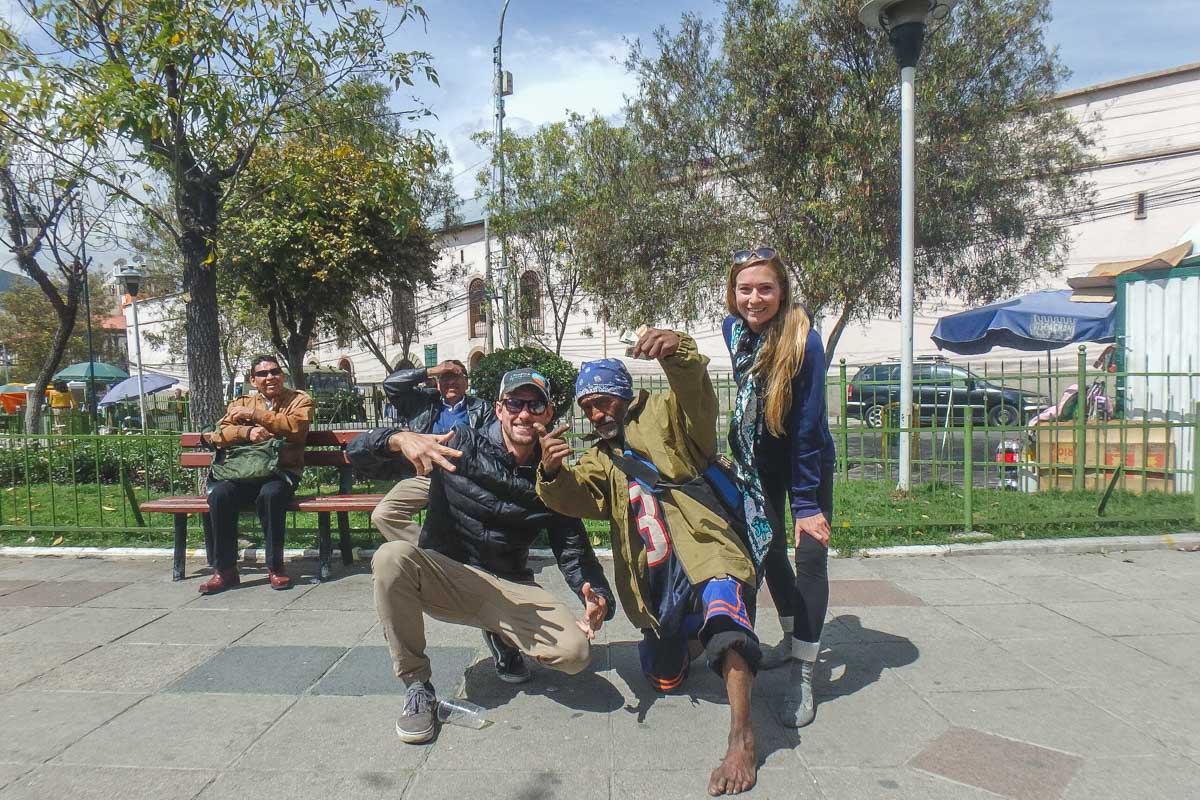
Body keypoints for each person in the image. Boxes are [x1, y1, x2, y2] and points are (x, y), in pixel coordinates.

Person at [536, 331, 761, 797]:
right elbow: (578, 497)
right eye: (589, 406)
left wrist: (677, 355)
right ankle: (686, 641)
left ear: (624, 395)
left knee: (727, 622)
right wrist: (552, 473)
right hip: (654, 584)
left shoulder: (664, 414)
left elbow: (695, 396)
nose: (598, 414)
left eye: (605, 402)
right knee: (664, 678)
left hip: (703, 548)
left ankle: (742, 738)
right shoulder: (600, 457)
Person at [348, 369, 614, 745]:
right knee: (392, 557)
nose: (524, 414)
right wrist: (398, 438)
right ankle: (418, 687)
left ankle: (503, 636)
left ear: (549, 413)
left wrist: (597, 594)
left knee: (576, 654)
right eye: (515, 404)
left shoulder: (553, 475)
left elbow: (572, 549)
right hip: (450, 574)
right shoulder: (459, 443)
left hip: (507, 586)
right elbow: (356, 453)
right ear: (499, 410)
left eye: (535, 404)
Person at [722, 246, 836, 729]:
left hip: (805, 463)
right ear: (733, 294)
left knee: (809, 557)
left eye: (765, 288)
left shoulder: (804, 341)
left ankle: (804, 673)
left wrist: (806, 503)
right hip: (760, 465)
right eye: (745, 289)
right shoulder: (733, 331)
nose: (754, 298)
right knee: (768, 551)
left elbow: (808, 425)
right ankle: (793, 637)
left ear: (782, 290)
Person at [200, 355, 314, 594]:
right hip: (242, 473)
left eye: (274, 371)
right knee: (219, 494)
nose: (270, 377)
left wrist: (255, 416)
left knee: (271, 494)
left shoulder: (299, 401)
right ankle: (225, 571)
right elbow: (219, 434)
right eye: (262, 374)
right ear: (253, 380)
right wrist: (247, 432)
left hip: (281, 473)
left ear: (282, 375)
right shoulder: (240, 402)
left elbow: (295, 428)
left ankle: (275, 567)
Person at [372, 359, 495, 544]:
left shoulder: (481, 408)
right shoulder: (423, 403)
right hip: (426, 476)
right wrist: (431, 370)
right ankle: (431, 551)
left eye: (456, 376)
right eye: (445, 377)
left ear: (466, 382)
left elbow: (491, 447)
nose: (450, 382)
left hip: (466, 479)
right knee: (383, 514)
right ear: (437, 383)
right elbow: (390, 384)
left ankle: (450, 557)